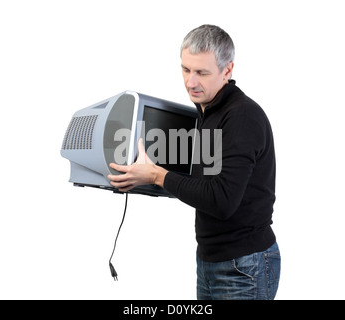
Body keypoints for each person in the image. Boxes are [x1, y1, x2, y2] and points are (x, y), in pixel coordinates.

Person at [108, 24, 281, 300]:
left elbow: (222, 200)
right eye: (185, 69)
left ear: (227, 70)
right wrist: (141, 178)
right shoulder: (206, 113)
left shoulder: (241, 118)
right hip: (210, 261)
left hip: (244, 266)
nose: (190, 82)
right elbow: (201, 184)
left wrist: (157, 176)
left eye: (202, 72)